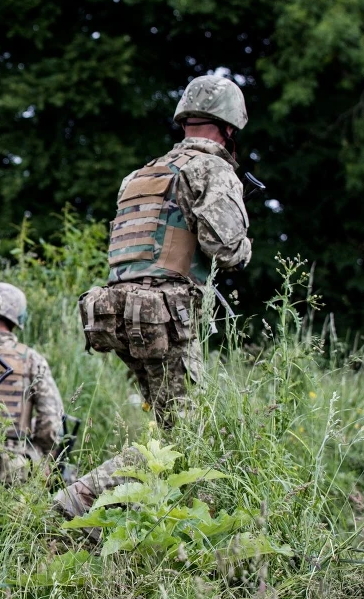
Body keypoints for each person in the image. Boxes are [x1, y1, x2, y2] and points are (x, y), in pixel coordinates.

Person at [57, 75, 252, 517]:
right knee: (188, 437)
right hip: (164, 316)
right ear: (230, 127)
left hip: (116, 312)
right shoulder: (211, 168)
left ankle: (146, 524)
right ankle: (81, 500)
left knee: (171, 430)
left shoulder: (142, 173)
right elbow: (227, 249)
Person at [0, 283, 64, 484]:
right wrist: (42, 453)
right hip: (14, 465)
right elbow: (51, 420)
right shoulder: (31, 359)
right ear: (18, 318)